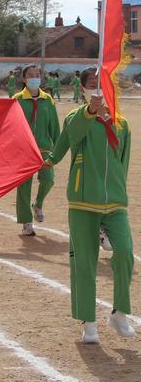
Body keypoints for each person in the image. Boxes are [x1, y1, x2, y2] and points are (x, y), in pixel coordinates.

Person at [45, 67, 135, 343]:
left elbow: (123, 161)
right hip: (84, 203)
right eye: (91, 84)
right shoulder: (77, 117)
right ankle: (89, 323)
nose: (97, 89)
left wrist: (118, 189)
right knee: (84, 263)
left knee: (125, 253)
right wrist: (90, 112)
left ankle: (119, 314)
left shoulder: (121, 123)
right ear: (82, 89)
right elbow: (71, 136)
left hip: (115, 203)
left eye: (101, 84)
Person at [13, 65, 60, 235]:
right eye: (30, 75)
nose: (35, 78)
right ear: (24, 79)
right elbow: (11, 126)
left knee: (48, 179)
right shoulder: (17, 100)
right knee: (24, 187)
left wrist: (57, 150)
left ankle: (38, 204)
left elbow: (54, 126)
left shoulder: (48, 99)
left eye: (37, 74)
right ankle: (26, 222)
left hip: (44, 149)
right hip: (23, 151)